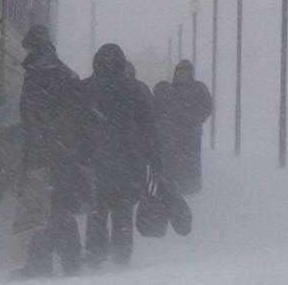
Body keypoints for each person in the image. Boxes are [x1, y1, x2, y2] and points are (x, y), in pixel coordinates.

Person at [13, 25, 90, 277]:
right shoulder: (63, 71)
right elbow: (75, 113)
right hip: (64, 149)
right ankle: (67, 260)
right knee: (58, 205)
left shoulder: (39, 72)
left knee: (45, 208)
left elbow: (35, 116)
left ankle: (43, 264)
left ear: (32, 47)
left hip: (46, 150)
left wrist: (36, 149)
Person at [81, 43, 161, 268]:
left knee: (96, 211)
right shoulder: (136, 89)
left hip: (95, 161)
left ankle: (95, 255)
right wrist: (156, 163)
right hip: (128, 163)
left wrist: (76, 157)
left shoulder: (86, 88)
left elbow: (74, 127)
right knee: (123, 211)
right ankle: (121, 256)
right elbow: (150, 129)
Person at [158, 60, 212, 195]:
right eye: (180, 72)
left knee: (190, 161)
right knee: (177, 160)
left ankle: (190, 187)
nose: (182, 75)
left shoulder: (197, 88)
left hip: (190, 133)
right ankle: (178, 185)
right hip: (176, 133)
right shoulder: (172, 89)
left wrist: (194, 119)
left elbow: (207, 107)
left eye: (185, 72)